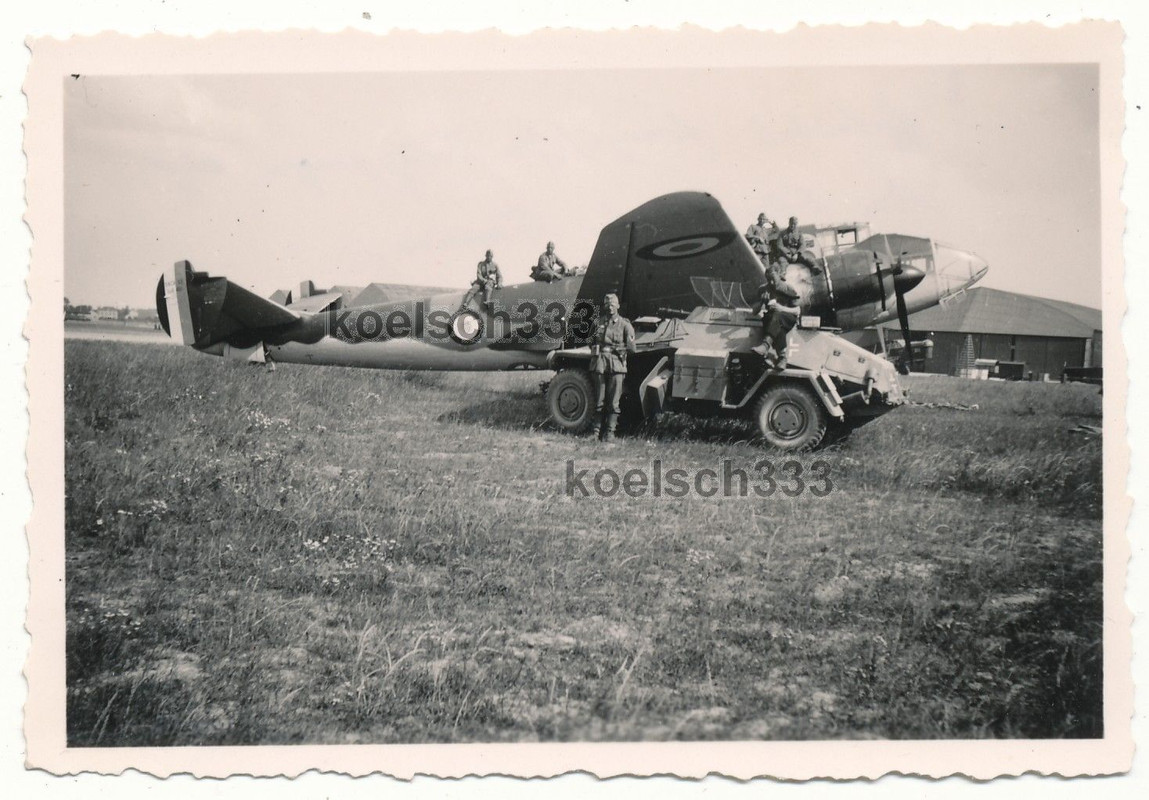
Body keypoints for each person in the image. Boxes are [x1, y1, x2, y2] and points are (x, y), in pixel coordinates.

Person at [590, 293, 635, 442]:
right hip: (600, 364)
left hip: (616, 365)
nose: (610, 307)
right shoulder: (598, 322)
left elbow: (632, 348)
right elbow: (591, 342)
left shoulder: (625, 325)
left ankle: (610, 433)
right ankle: (596, 432)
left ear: (618, 306)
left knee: (614, 402)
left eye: (613, 305)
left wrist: (619, 350)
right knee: (599, 399)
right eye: (607, 305)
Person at [751, 273, 801, 369]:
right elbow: (754, 311)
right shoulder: (763, 289)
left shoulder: (788, 288)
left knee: (777, 316)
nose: (771, 282)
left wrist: (781, 308)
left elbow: (797, 310)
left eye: (773, 279)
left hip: (788, 317)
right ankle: (782, 358)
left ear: (780, 276)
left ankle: (765, 346)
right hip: (772, 320)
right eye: (768, 279)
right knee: (775, 322)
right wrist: (761, 302)